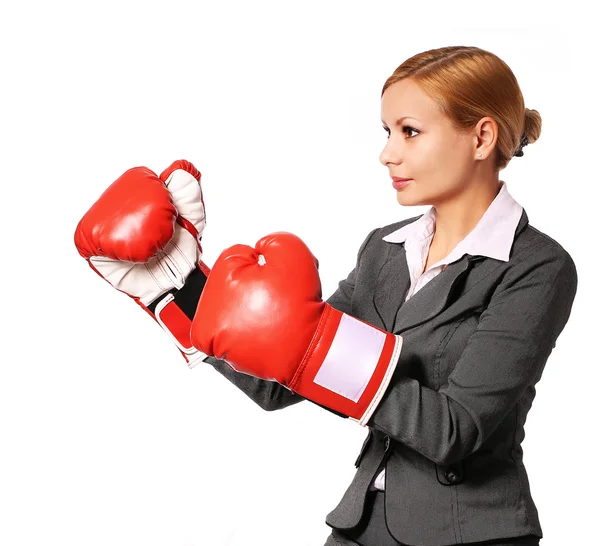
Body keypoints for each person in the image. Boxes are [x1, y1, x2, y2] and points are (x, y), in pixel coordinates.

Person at [75, 45, 578, 546]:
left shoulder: (537, 266)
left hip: (470, 533)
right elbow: (280, 383)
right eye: (387, 132)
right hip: (361, 522)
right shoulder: (385, 250)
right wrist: (182, 287)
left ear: (481, 137)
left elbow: (455, 431)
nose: (388, 153)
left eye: (410, 131)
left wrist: (316, 347)